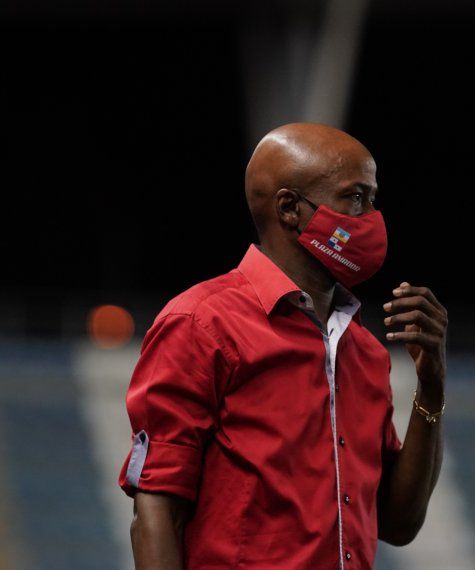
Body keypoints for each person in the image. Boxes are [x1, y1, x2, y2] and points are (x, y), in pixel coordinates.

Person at [117, 123, 448, 569]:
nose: (371, 217)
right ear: (290, 208)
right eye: (356, 198)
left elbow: (397, 524)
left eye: (373, 199)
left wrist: (431, 388)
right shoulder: (201, 323)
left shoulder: (364, 351)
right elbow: (155, 512)